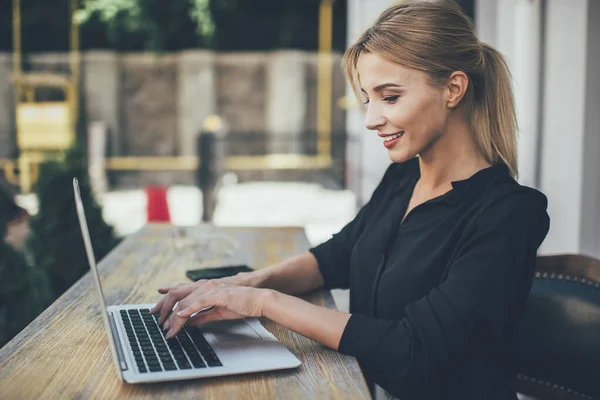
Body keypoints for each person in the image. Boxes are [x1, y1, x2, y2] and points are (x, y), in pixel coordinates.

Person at [151, 1, 550, 399]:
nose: (371, 119)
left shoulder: (510, 214)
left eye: (389, 97)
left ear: (453, 89)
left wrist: (261, 301)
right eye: (367, 98)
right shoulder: (404, 176)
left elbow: (413, 349)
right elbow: (340, 255)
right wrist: (239, 284)